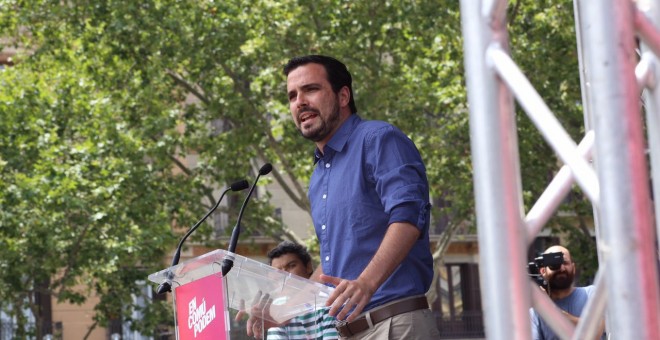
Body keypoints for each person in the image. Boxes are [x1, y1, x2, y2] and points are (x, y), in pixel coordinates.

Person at [282, 54, 440, 339]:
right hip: (346, 331)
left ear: (343, 96)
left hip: (394, 324)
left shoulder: (378, 138)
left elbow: (408, 216)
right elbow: (333, 267)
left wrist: (366, 283)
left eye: (311, 89)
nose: (299, 101)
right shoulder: (318, 176)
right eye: (292, 95)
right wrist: (281, 311)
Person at [529, 245, 606, 340]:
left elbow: (596, 332)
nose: (561, 268)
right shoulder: (536, 312)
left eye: (565, 263)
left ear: (573, 268)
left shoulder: (591, 294)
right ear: (543, 271)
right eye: (554, 264)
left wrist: (551, 309)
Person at [265, 241, 339, 339]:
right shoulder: (278, 309)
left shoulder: (328, 300)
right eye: (278, 272)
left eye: (291, 266)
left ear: (308, 267)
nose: (285, 275)